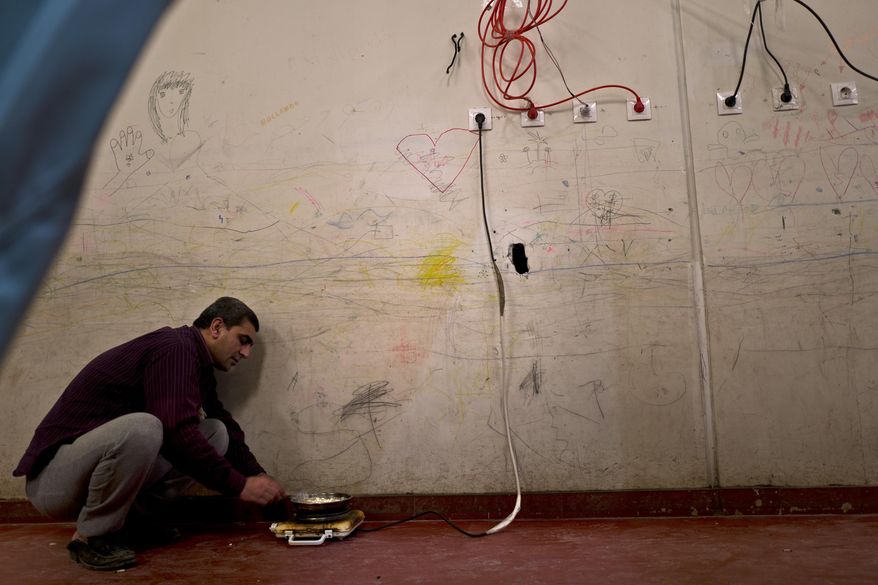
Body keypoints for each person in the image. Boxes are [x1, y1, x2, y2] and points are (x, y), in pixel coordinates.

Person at [13, 297, 286, 571]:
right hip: (52, 482)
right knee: (146, 427)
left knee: (216, 432)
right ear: (216, 327)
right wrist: (239, 486)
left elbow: (224, 424)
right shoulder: (175, 349)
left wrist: (256, 474)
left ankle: (133, 522)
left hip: (89, 477)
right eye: (243, 340)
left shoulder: (197, 365)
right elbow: (177, 431)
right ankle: (92, 537)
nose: (246, 353)